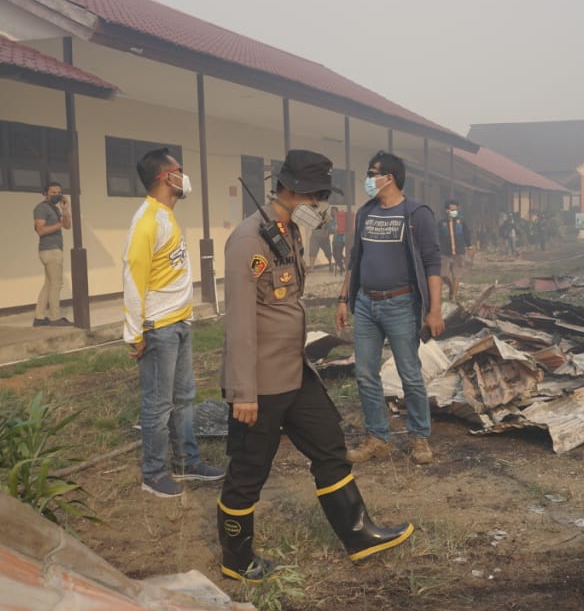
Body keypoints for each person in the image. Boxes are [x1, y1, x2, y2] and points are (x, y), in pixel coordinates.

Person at [219, 149, 413, 581]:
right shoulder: (250, 240)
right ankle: (235, 558)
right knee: (249, 471)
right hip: (261, 382)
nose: (320, 205)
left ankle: (359, 534)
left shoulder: (286, 232)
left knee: (329, 444)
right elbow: (240, 322)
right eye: (316, 196)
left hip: (294, 370)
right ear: (292, 190)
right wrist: (242, 391)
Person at [122, 148, 224, 498]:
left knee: (184, 398)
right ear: (165, 178)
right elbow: (133, 278)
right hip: (159, 328)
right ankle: (153, 472)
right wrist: (134, 332)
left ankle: (187, 460)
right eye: (179, 170)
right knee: (158, 403)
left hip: (179, 323)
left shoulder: (166, 215)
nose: (184, 176)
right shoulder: (146, 221)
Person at [335, 151, 444, 465]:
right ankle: (377, 438)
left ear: (389, 178)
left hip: (401, 304)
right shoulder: (366, 213)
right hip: (366, 304)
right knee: (365, 373)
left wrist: (434, 310)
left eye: (372, 174)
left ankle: (419, 437)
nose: (368, 180)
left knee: (410, 374)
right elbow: (354, 261)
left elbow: (432, 264)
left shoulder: (417, 214)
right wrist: (344, 300)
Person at [32, 181, 72, 327]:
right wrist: (59, 224)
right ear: (45, 193)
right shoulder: (41, 208)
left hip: (54, 249)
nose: (56, 195)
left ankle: (39, 317)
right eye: (53, 192)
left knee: (48, 285)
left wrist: (65, 209)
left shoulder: (55, 209)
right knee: (56, 284)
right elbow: (41, 230)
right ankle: (55, 318)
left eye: (59, 192)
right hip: (50, 250)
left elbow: (68, 226)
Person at [437, 200, 472, 303]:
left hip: (459, 252)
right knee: (443, 275)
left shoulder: (461, 220)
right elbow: (436, 236)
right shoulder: (441, 222)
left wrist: (469, 247)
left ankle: (453, 297)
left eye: (455, 209)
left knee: (456, 275)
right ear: (447, 210)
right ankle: (451, 287)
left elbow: (466, 233)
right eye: (452, 209)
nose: (454, 211)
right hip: (445, 253)